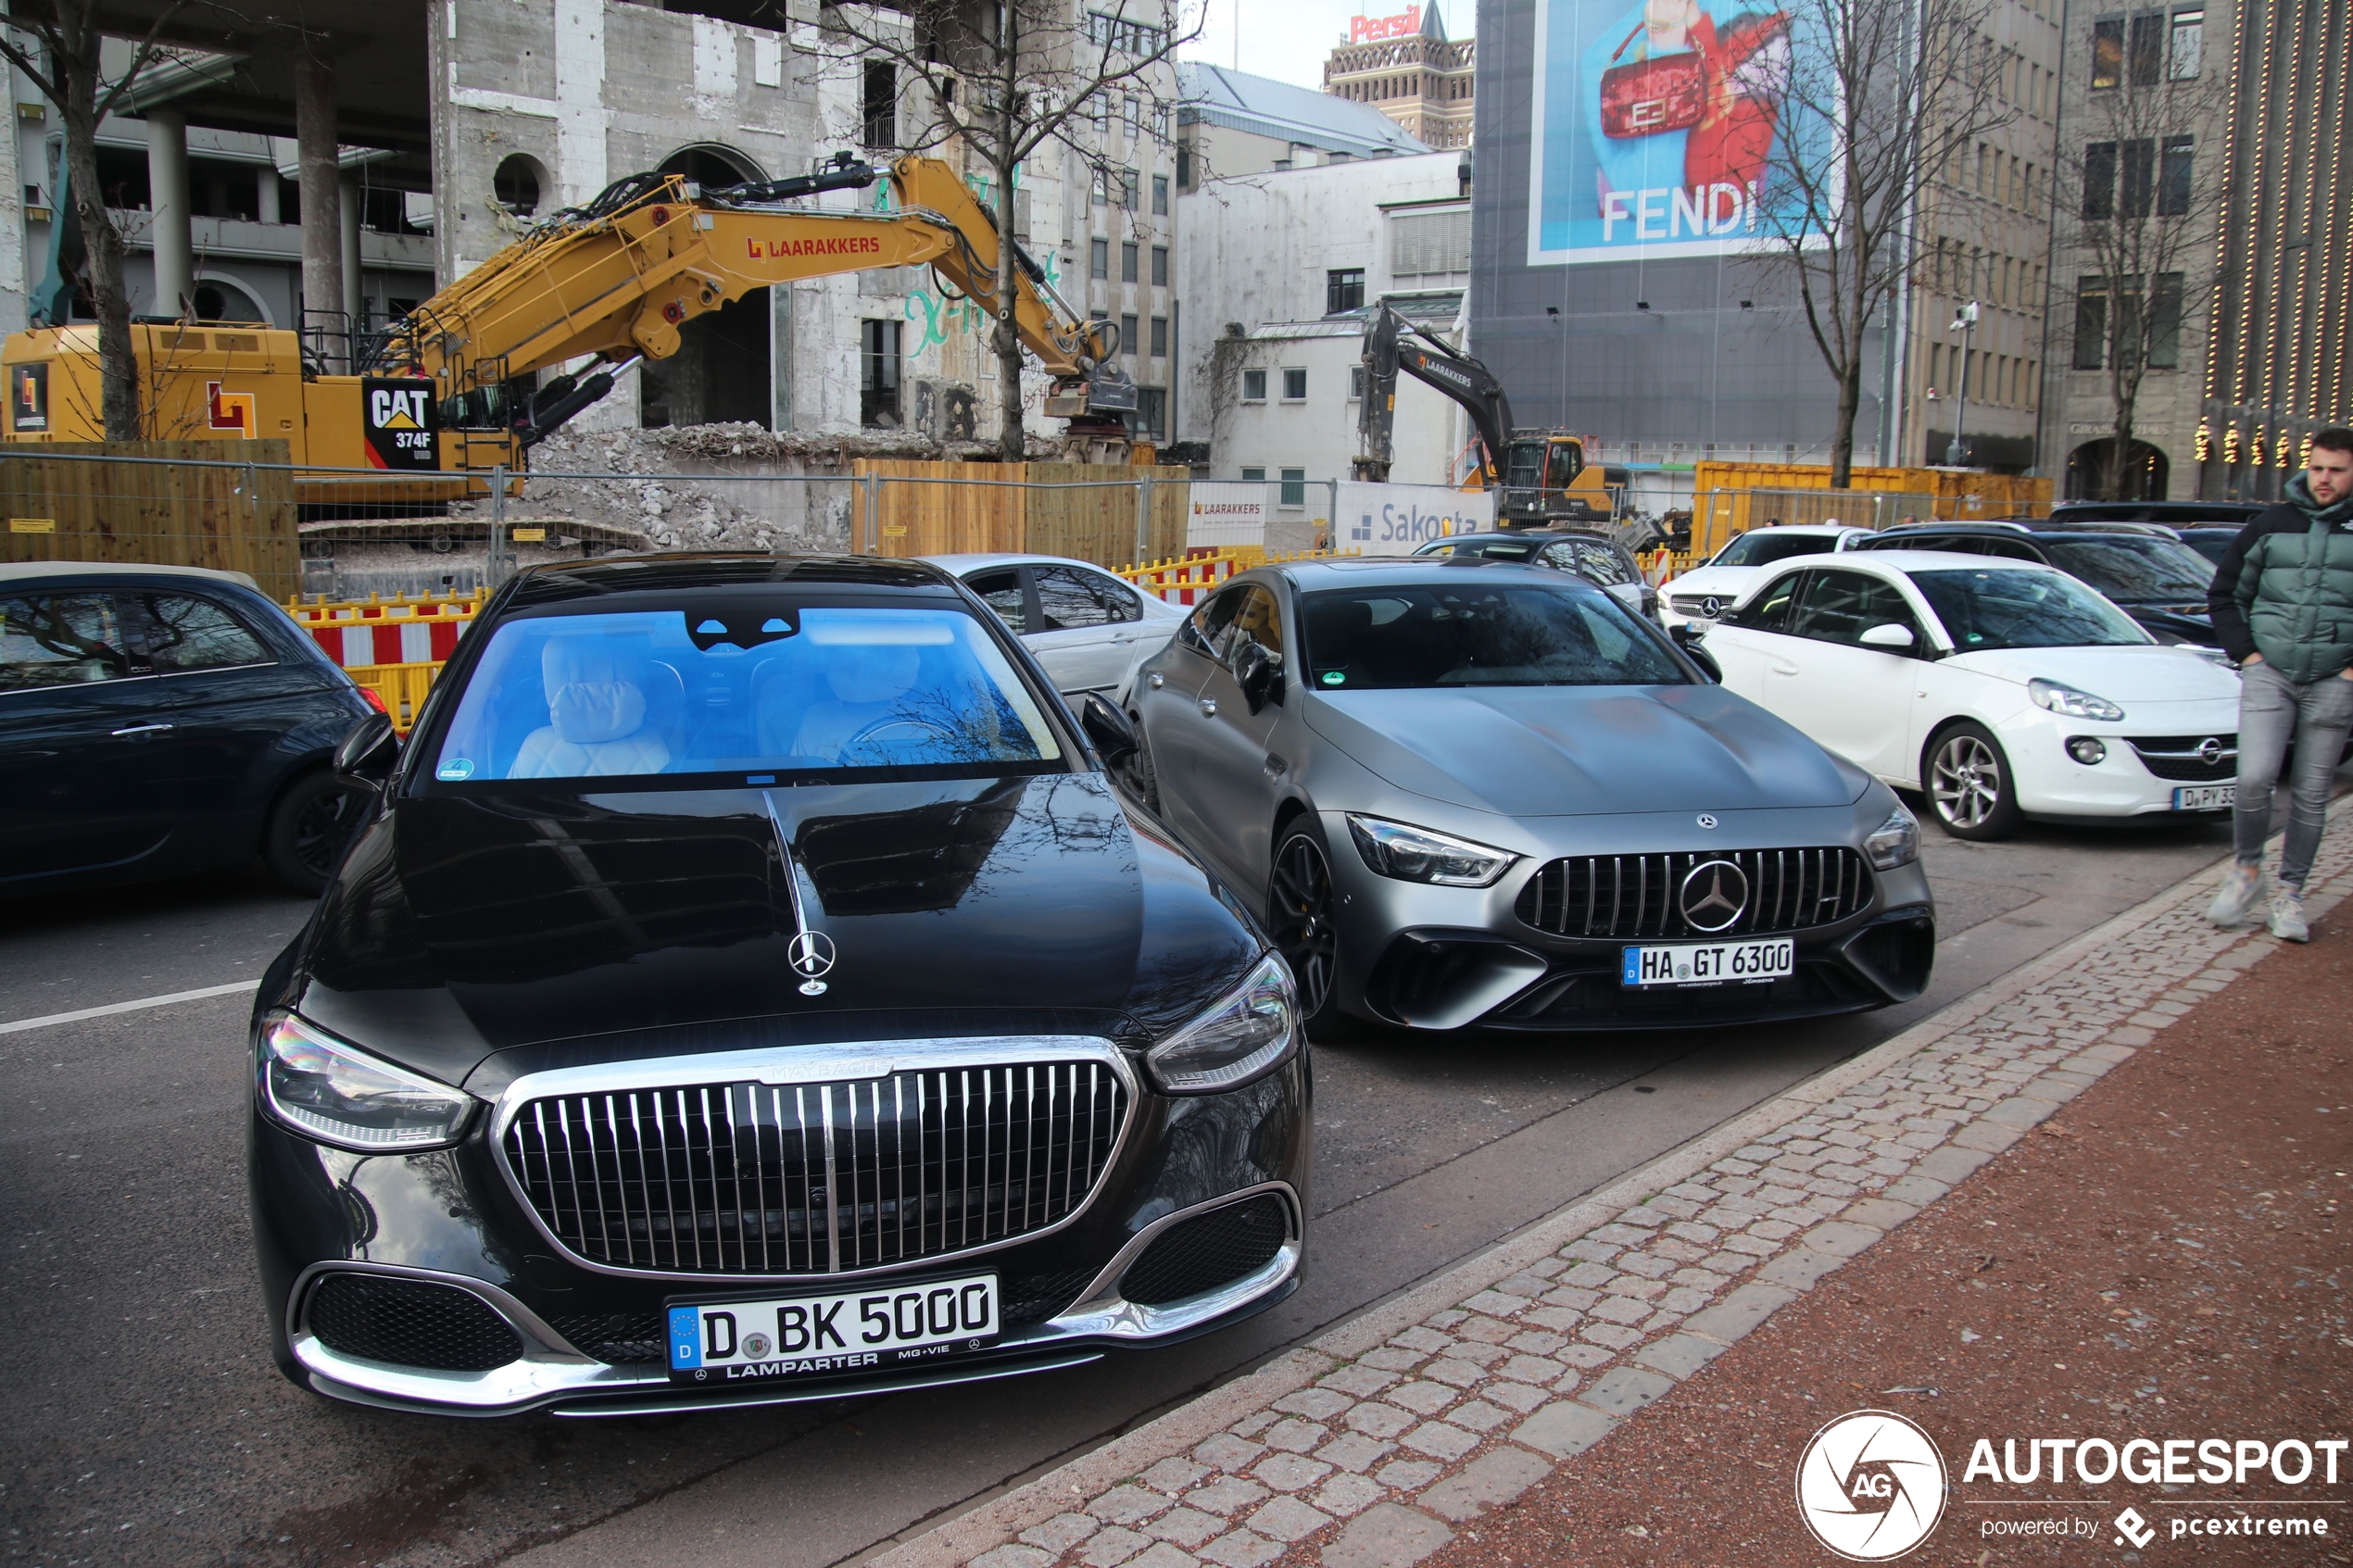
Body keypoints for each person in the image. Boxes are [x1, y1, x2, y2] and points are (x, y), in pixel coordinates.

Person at [2205, 426, 2353, 941]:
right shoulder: (2270, 525)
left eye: (2336, 469)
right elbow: (2225, 593)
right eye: (2317, 468)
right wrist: (2247, 654)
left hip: (2335, 680)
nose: (2325, 478)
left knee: (2312, 796)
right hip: (2270, 672)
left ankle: (2289, 894)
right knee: (2253, 779)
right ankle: (2247, 872)